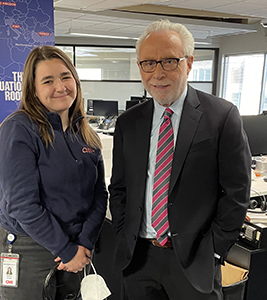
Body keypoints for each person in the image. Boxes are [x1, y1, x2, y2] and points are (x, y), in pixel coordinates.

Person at [108, 19, 251, 300]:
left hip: (194, 260)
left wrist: (215, 249)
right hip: (138, 258)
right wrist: (125, 233)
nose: (157, 73)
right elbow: (120, 187)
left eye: (169, 61)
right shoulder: (129, 122)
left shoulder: (221, 116)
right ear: (139, 67)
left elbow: (236, 193)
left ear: (189, 63)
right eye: (148, 63)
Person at [0, 45, 108, 299]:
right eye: (48, 80)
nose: (61, 86)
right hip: (30, 245)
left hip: (78, 245)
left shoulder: (86, 134)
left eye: (66, 76)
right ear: (33, 89)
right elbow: (23, 204)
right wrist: (66, 250)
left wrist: (85, 244)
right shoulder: (19, 129)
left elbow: (99, 195)